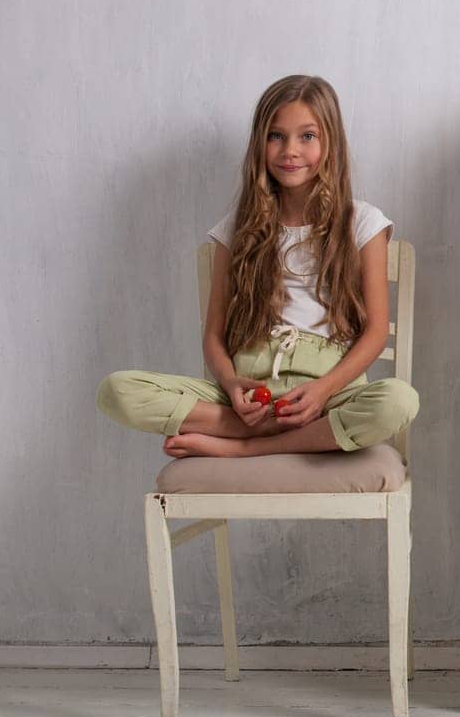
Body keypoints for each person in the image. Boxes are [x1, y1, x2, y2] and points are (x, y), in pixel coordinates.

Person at [97, 75, 418, 458]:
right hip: (252, 391)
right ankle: (266, 429)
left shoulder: (362, 223)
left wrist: (323, 390)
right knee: (117, 390)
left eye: (307, 136)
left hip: (329, 391)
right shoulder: (238, 227)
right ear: (259, 144)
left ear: (331, 142)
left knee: (398, 401)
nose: (290, 151)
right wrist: (232, 383)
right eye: (276, 136)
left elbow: (376, 332)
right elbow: (214, 336)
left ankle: (243, 448)